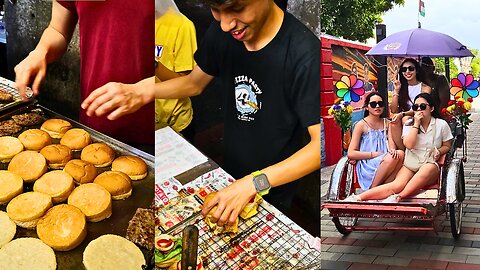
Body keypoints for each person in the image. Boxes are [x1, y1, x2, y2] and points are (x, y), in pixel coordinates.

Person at [146, 0, 319, 226]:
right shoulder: (223, 33)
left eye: (236, 9)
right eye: (216, 10)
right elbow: (193, 83)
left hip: (273, 186)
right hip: (229, 170)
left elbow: (318, 147)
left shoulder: (305, 53)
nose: (226, 24)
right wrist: (141, 91)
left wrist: (253, 183)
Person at [14, 0, 155, 149]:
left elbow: (182, 70)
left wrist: (142, 90)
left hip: (155, 128)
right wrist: (40, 51)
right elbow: (58, 29)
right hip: (95, 120)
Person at [346, 93, 453, 203]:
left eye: (423, 106)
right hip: (411, 164)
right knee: (397, 185)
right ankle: (358, 198)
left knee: (427, 168)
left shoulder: (441, 124)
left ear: (431, 108)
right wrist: (416, 123)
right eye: (416, 107)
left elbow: (447, 146)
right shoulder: (409, 124)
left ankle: (399, 197)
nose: (419, 110)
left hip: (430, 164)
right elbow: (409, 145)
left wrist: (439, 151)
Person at [155, 0, 197, 141]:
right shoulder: (127, 22)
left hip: (172, 122)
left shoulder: (182, 26)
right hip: (138, 119)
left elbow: (187, 83)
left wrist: (152, 64)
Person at [347, 92, 404, 190]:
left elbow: (391, 142)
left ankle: (384, 188)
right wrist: (374, 154)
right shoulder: (361, 125)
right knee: (392, 158)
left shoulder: (387, 123)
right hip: (368, 162)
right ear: (367, 107)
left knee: (400, 154)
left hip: (385, 159)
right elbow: (351, 153)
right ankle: (373, 189)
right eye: (373, 104)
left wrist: (392, 149)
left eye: (380, 104)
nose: (377, 106)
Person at [390, 58, 431, 150]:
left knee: (406, 119)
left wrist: (403, 114)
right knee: (393, 122)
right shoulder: (401, 87)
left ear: (417, 70)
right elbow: (393, 110)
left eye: (411, 68)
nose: (407, 72)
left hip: (420, 115)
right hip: (403, 117)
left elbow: (422, 108)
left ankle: (407, 148)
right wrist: (396, 91)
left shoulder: (425, 87)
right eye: (404, 69)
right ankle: (403, 150)